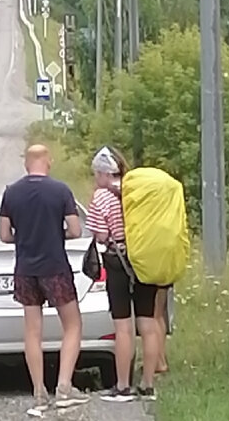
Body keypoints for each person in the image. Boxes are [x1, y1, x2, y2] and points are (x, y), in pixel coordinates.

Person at [0, 144, 90, 416]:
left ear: (26, 164)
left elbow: (4, 235)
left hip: (25, 269)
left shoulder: (11, 192)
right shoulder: (61, 191)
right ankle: (64, 387)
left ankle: (39, 392)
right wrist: (55, 232)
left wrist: (25, 237)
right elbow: (76, 230)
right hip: (55, 266)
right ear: (48, 161)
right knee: (72, 325)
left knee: (32, 332)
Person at [86, 145, 162, 402]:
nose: (96, 180)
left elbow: (101, 235)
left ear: (105, 174)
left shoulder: (101, 197)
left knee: (123, 326)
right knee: (148, 323)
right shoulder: (139, 192)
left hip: (117, 261)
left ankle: (122, 386)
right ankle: (148, 385)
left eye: (97, 174)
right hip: (145, 259)